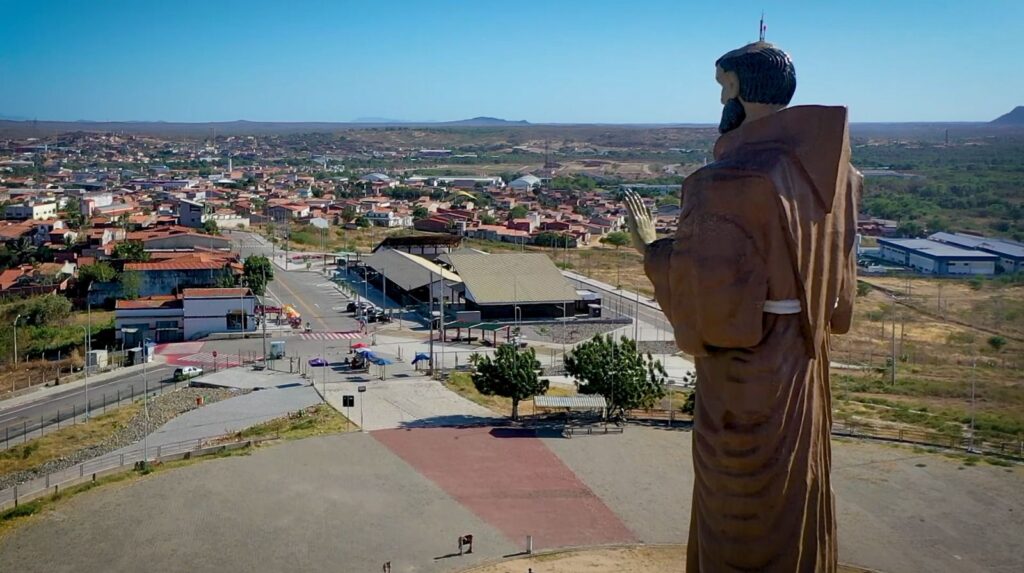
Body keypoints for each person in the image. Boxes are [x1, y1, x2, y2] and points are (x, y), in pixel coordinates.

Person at [626, 42, 858, 572]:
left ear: (734, 88)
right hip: (804, 359)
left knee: (739, 504)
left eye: (720, 84)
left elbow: (711, 291)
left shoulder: (727, 183)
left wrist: (651, 249)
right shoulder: (835, 173)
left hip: (747, 371)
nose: (720, 97)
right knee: (796, 489)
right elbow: (841, 289)